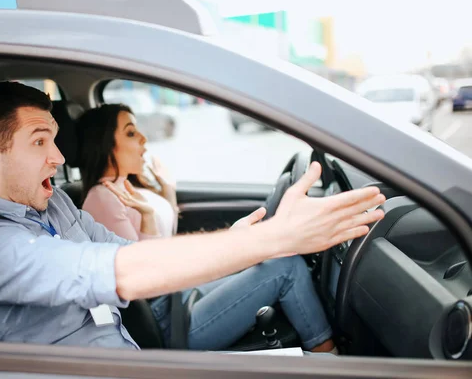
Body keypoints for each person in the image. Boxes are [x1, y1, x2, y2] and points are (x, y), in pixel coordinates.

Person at [0, 81, 385, 352]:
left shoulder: (53, 204)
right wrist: (271, 239)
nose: (59, 158)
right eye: (40, 142)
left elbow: (127, 253)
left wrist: (232, 243)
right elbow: (115, 272)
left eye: (56, 141)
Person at [76, 104, 332, 352]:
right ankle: (329, 358)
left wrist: (168, 192)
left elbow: (166, 240)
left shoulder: (126, 187)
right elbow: (143, 279)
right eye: (131, 133)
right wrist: (229, 247)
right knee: (287, 269)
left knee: (275, 260)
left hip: (178, 296)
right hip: (167, 321)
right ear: (104, 143)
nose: (144, 138)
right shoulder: (102, 199)